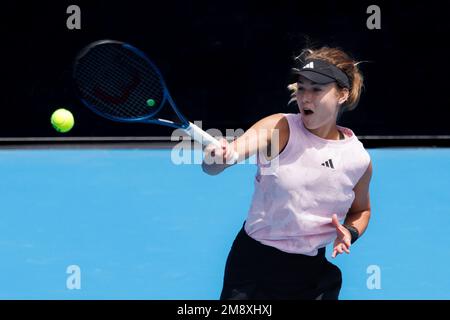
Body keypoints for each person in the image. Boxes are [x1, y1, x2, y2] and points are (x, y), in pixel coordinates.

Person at [202, 46, 373, 300]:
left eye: (317, 89)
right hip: (254, 270)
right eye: (302, 87)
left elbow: (361, 210)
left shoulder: (358, 159)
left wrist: (350, 232)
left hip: (313, 276)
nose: (306, 97)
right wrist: (219, 157)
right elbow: (221, 162)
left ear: (342, 94)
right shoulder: (280, 128)